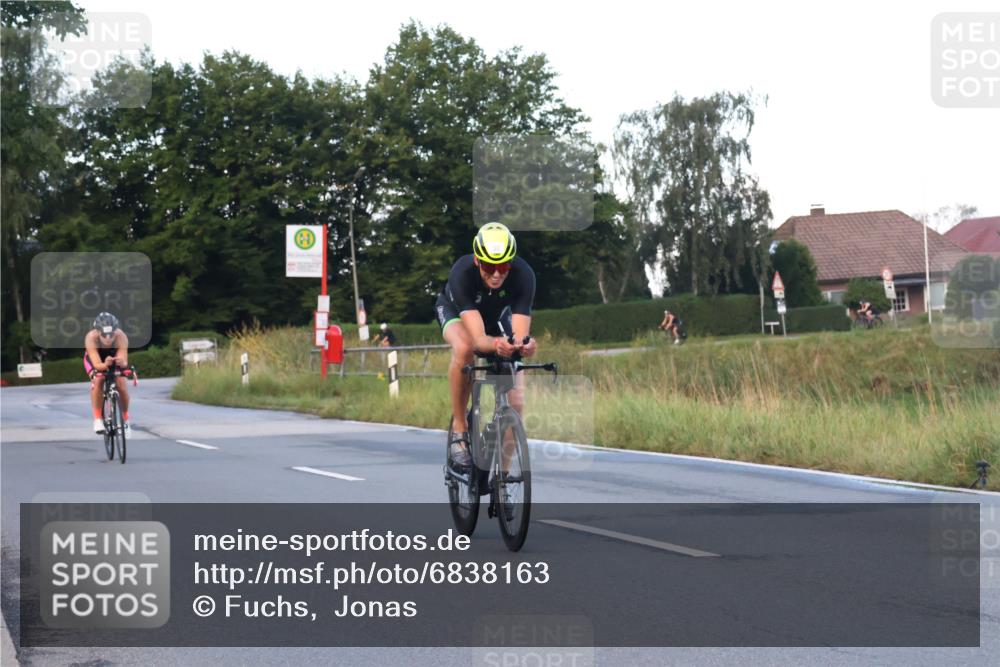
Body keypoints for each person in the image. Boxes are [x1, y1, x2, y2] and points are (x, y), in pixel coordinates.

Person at [435, 222, 536, 467]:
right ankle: (460, 429)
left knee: (517, 402)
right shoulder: (462, 271)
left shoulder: (524, 275)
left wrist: (525, 346)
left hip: (497, 316)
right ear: (478, 261)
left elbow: (520, 335)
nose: (496, 274)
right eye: (490, 266)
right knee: (464, 348)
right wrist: (497, 346)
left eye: (503, 267)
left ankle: (504, 480)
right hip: (458, 313)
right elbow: (479, 340)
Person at [84, 312, 131, 434]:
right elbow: (97, 364)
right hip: (96, 359)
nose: (108, 338)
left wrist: (121, 362)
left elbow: (124, 361)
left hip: (113, 357)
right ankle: (98, 418)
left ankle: (125, 419)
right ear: (98, 332)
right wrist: (104, 365)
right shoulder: (91, 337)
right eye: (104, 334)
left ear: (116, 331)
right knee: (98, 379)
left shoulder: (121, 336)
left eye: (111, 334)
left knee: (121, 383)